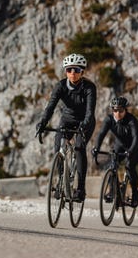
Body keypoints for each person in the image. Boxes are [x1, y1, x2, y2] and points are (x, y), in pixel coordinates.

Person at [36, 53, 97, 201]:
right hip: (67, 120)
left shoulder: (89, 87)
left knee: (79, 148)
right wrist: (43, 122)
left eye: (76, 70)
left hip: (85, 121)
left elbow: (90, 111)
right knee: (58, 146)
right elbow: (50, 106)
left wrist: (84, 125)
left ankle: (80, 189)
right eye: (69, 70)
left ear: (82, 71)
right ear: (65, 71)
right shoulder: (61, 86)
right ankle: (60, 182)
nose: (73, 73)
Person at [91, 96, 138, 207]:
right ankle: (112, 190)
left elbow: (136, 137)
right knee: (112, 165)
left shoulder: (131, 120)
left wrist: (131, 151)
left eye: (120, 110)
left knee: (129, 166)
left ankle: (135, 194)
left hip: (135, 147)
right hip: (120, 145)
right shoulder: (109, 119)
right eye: (115, 110)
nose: (118, 113)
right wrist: (96, 148)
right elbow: (101, 135)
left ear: (125, 110)